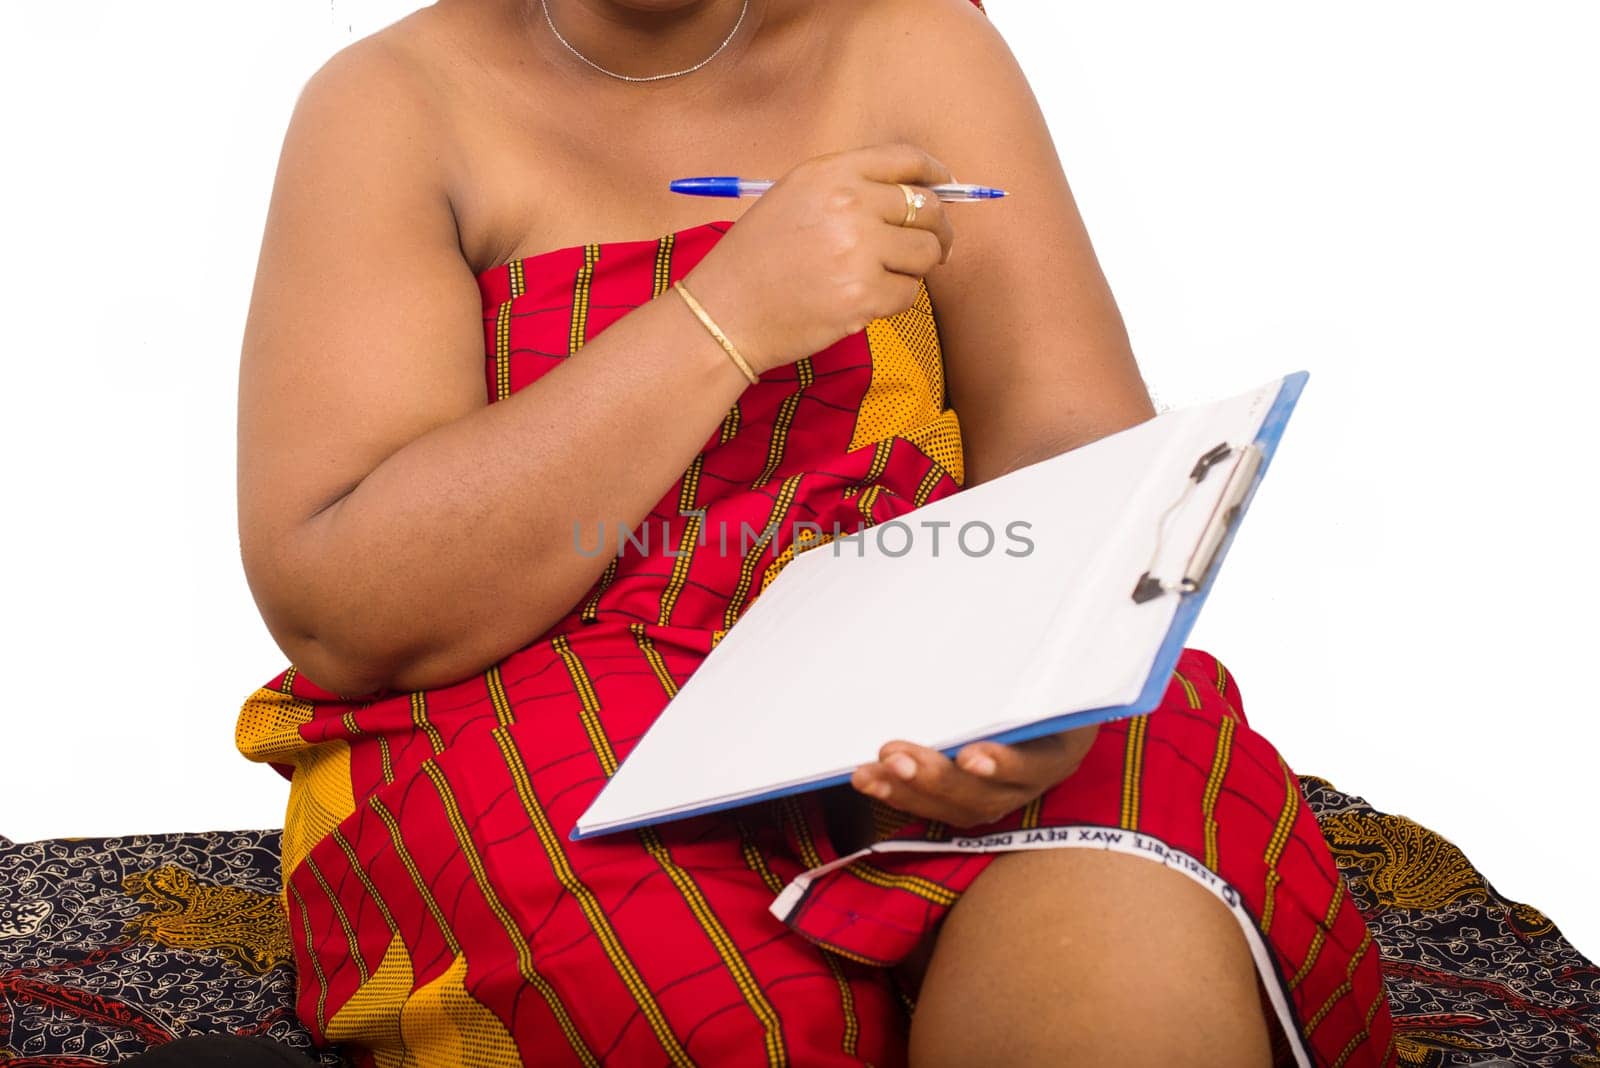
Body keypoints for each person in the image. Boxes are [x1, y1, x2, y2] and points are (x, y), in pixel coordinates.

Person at [233, 0, 1394, 1064]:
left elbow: (1071, 439)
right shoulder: (393, 104)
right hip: (530, 679)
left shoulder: (913, 40)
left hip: (921, 635)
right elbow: (348, 612)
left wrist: (1041, 691)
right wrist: (723, 318)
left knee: (1124, 922)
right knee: (687, 1005)